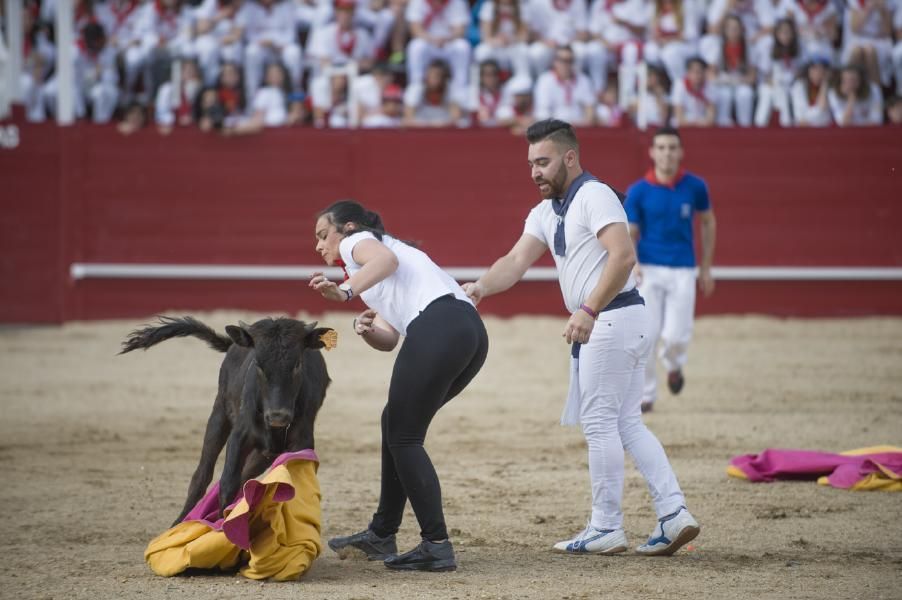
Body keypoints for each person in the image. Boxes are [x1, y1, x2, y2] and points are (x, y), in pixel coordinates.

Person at [462, 119, 699, 557]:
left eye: (544, 162)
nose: (535, 171)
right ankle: (673, 512)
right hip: (620, 319)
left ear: (570, 158)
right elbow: (515, 261)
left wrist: (587, 310)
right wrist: (480, 287)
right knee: (626, 422)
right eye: (531, 163)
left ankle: (607, 525)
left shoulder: (594, 195)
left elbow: (624, 255)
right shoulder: (545, 210)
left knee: (600, 423)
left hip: (610, 319)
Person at [309, 200, 488, 572]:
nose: (320, 245)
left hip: (440, 326)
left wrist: (344, 292)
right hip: (468, 332)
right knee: (395, 422)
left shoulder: (357, 244)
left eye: (323, 234)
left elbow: (384, 263)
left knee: (404, 436)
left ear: (348, 228)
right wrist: (369, 330)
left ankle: (436, 545)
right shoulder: (383, 260)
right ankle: (382, 533)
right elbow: (391, 339)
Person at [624, 127, 716, 413]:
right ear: (652, 152)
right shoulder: (638, 191)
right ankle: (647, 395)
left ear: (680, 152)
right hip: (649, 269)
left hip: (683, 269)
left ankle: (674, 365)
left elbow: (708, 222)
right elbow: (630, 232)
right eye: (661, 148)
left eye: (672, 147)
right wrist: (634, 262)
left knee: (677, 336)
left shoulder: (696, 186)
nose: (667, 153)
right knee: (647, 335)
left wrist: (706, 267)